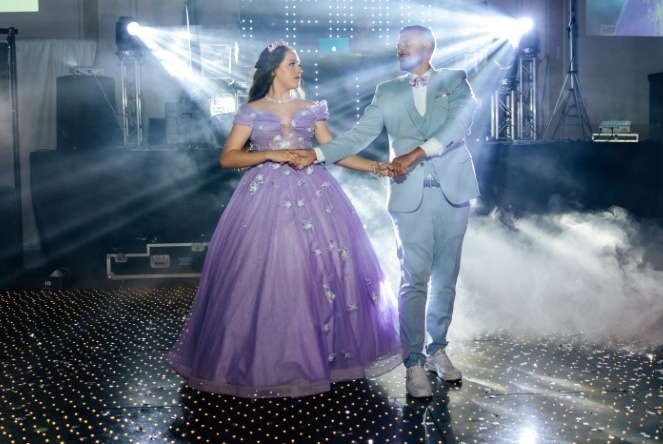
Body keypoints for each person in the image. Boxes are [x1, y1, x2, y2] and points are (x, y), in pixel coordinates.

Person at [165, 40, 402, 398]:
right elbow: (228, 157)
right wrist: (269, 154)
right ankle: (267, 359)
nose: (299, 70)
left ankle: (324, 357)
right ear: (274, 68)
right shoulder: (252, 111)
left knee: (321, 271)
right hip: (264, 198)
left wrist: (376, 166)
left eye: (299, 64)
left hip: (317, 194)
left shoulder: (312, 109)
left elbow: (334, 151)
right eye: (293, 63)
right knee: (271, 272)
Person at [296, 25, 479, 398]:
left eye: (407, 44)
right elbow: (358, 136)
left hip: (454, 191)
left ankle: (437, 350)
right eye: (398, 46)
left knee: (446, 277)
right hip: (408, 195)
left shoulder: (455, 80)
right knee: (415, 277)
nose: (400, 50)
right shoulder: (387, 91)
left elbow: (460, 125)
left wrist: (415, 153)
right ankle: (413, 363)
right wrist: (316, 153)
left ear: (428, 47)